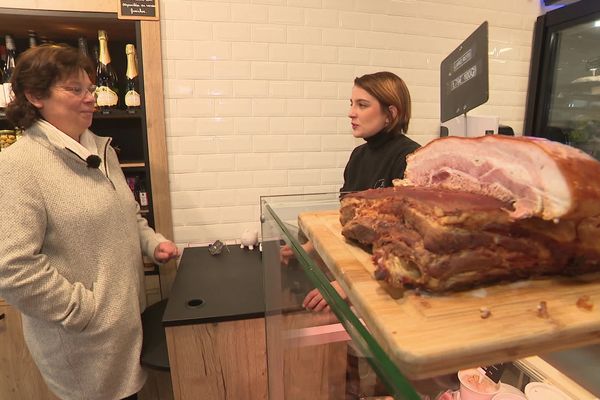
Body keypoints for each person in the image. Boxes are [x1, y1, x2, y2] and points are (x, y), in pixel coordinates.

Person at [0, 44, 179, 400]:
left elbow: (127, 214)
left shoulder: (101, 149)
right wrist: (84, 310)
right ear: (36, 96)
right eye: (75, 89)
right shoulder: (17, 167)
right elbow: (12, 268)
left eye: (91, 88)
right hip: (84, 345)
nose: (90, 99)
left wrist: (151, 242)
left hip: (125, 330)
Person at [291, 71, 420, 311]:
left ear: (391, 114)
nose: (351, 112)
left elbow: (405, 246)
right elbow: (347, 222)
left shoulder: (410, 159)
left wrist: (347, 286)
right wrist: (305, 249)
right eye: (351, 104)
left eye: (362, 105)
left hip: (381, 284)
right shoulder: (358, 156)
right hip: (353, 266)